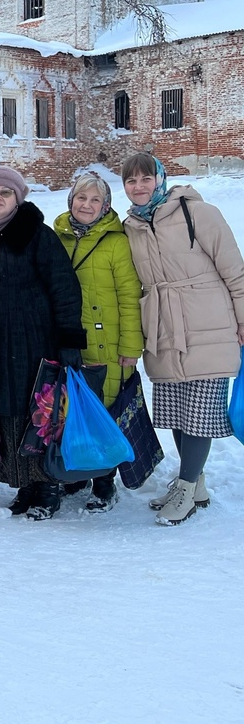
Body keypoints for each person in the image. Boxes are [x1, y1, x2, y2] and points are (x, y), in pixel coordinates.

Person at [121, 153, 244, 525]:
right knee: (176, 410)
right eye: (131, 181)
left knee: (200, 413)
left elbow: (234, 271)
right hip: (163, 326)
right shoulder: (131, 226)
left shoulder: (197, 213)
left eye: (146, 179)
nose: (139, 186)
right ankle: (195, 483)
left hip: (208, 322)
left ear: (160, 179)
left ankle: (187, 489)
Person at [0, 167, 85, 520]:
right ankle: (23, 485)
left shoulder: (38, 236)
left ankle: (47, 487)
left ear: (18, 197)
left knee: (39, 415)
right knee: (5, 414)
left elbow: (64, 289)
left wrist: (68, 342)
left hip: (34, 340)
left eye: (5, 192)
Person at [52, 173, 143, 513]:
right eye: (81, 199)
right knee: (72, 409)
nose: (86, 206)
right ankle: (77, 473)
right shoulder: (56, 236)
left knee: (105, 410)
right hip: (68, 340)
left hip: (107, 342)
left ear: (105, 206)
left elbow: (130, 297)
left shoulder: (117, 242)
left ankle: (105, 480)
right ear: (71, 201)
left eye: (95, 201)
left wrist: (131, 349)